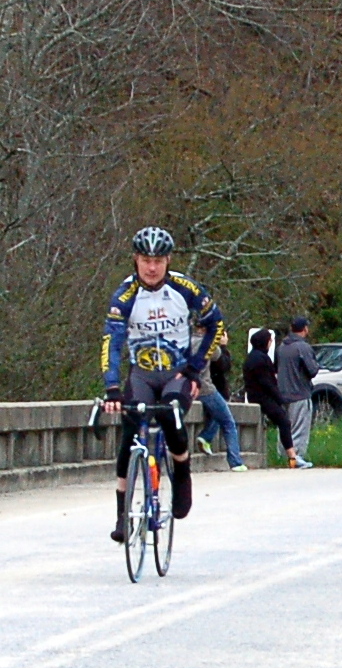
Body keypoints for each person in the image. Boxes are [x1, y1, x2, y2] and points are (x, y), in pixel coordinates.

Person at [102, 227, 224, 543]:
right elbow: (112, 343)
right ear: (136, 260)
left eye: (158, 260)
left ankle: (182, 472)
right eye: (145, 260)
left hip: (177, 374)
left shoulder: (185, 289)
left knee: (170, 416)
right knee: (130, 431)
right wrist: (112, 388)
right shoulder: (124, 296)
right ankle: (121, 515)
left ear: (168, 260)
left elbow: (216, 323)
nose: (152, 267)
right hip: (141, 373)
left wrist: (196, 369)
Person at [244, 329, 300, 469]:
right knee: (283, 421)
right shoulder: (261, 359)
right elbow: (267, 383)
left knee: (281, 420)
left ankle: (290, 455)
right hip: (262, 397)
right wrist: (280, 398)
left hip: (253, 395)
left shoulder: (252, 357)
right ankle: (292, 456)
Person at [195, 328, 246, 471]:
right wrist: (222, 345)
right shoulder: (208, 344)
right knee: (228, 422)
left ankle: (206, 436)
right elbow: (222, 363)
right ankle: (235, 461)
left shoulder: (183, 341)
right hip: (205, 388)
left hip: (185, 387)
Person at [277, 317, 318, 468]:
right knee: (300, 427)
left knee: (285, 427)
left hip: (282, 393)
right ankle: (297, 457)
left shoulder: (282, 346)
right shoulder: (303, 347)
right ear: (305, 329)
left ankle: (283, 455)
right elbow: (312, 370)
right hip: (300, 392)